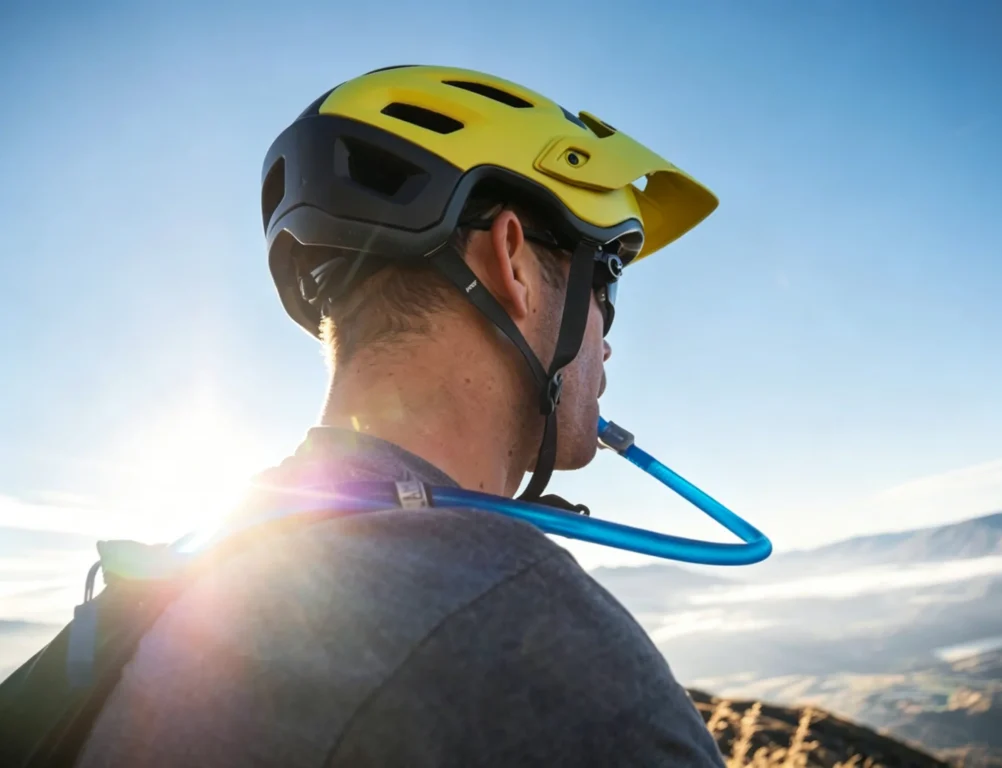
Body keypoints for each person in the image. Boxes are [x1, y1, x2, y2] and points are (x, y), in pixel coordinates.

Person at [74, 65, 725, 767]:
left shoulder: (206, 565)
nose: (608, 333)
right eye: (608, 277)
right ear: (513, 260)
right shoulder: (530, 637)